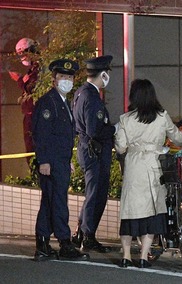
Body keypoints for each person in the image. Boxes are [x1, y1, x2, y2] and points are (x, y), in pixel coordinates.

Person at [114, 79, 182, 268]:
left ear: (134, 96)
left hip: (133, 167)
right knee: (152, 213)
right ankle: (144, 257)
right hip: (154, 166)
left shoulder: (125, 119)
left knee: (129, 212)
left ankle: (126, 256)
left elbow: (121, 147)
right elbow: (177, 137)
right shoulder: (162, 116)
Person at [32, 59, 89, 261]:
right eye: (62, 77)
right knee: (58, 203)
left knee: (49, 202)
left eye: (70, 77)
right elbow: (42, 134)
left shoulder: (63, 102)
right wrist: (44, 160)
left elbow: (61, 136)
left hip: (59, 161)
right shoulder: (49, 102)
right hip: (52, 162)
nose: (67, 80)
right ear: (54, 79)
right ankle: (65, 244)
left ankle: (42, 245)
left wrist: (67, 161)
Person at [71, 55, 116, 253]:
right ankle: (88, 236)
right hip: (95, 152)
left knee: (93, 193)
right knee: (96, 195)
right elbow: (95, 130)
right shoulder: (92, 97)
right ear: (103, 74)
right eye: (108, 74)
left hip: (87, 149)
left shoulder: (80, 92)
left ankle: (83, 233)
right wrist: (115, 129)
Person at [9, 38, 39, 166]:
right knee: (30, 149)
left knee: (33, 148)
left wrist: (19, 80)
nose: (22, 57)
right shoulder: (33, 69)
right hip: (30, 114)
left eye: (23, 53)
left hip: (35, 115)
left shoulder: (39, 68)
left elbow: (32, 87)